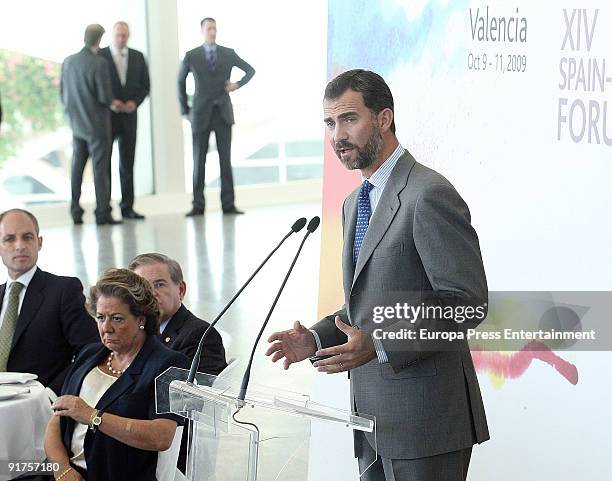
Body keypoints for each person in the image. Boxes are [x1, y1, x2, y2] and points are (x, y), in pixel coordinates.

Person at [266, 70, 489, 481]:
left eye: (349, 119)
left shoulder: (428, 194)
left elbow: (466, 303)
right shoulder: (354, 201)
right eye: (330, 124)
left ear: (384, 118)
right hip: (370, 418)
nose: (338, 136)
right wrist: (314, 338)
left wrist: (382, 344)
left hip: (427, 422)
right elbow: (363, 306)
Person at [44, 268, 189, 481]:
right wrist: (63, 470)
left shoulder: (168, 364)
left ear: (141, 319)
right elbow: (57, 419)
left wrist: (93, 417)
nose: (106, 328)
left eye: (117, 319)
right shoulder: (89, 354)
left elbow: (162, 436)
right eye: (101, 317)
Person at [129, 252, 227, 473]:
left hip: (171, 450)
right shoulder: (134, 331)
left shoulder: (201, 335)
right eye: (142, 288)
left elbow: (192, 403)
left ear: (180, 290)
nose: (150, 294)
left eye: (159, 284)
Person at [0, 209, 99, 395]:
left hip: (41, 408)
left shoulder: (63, 290)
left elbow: (92, 351)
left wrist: (52, 394)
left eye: (27, 237)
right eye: (10, 239)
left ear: (39, 242)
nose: (20, 245)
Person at [178, 17, 255, 217]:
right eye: (209, 28)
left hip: (222, 113)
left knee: (225, 160)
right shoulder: (192, 55)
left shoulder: (228, 54)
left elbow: (250, 70)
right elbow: (180, 81)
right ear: (202, 31)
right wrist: (185, 110)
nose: (212, 32)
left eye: (214, 28)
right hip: (200, 114)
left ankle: (228, 204)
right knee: (198, 160)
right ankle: (198, 204)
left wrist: (237, 84)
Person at [61, 24, 121, 225]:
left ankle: (75, 211)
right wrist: (116, 103)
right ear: (100, 39)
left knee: (77, 168)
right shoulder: (99, 63)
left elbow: (63, 92)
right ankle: (102, 212)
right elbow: (105, 97)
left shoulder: (68, 61)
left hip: (76, 124)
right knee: (100, 169)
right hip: (96, 124)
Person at [100, 22, 150, 221]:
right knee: (105, 165)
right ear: (112, 35)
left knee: (127, 163)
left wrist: (134, 103)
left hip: (130, 117)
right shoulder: (101, 56)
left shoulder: (138, 56)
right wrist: (110, 102)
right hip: (107, 118)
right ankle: (105, 209)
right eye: (118, 35)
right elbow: (97, 86)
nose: (121, 39)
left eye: (125, 36)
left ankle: (127, 207)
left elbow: (146, 85)